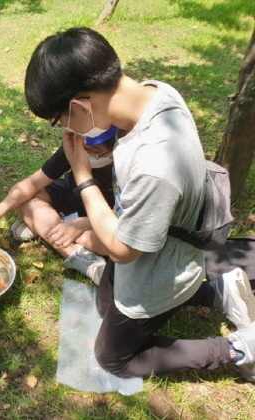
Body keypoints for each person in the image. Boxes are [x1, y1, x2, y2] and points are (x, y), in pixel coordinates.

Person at [24, 27, 255, 381]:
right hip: (161, 242)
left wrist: (83, 176)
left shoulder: (155, 165)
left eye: (61, 120)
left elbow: (122, 250)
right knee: (105, 305)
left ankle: (239, 348)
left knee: (112, 358)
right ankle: (213, 291)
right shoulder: (155, 92)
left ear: (79, 105)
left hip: (157, 271)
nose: (64, 129)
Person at [0, 127, 117, 284]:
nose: (86, 154)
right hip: (70, 194)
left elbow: (123, 217)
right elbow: (31, 184)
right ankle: (74, 254)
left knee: (111, 242)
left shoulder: (128, 163)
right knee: (22, 196)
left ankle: (43, 226)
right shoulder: (75, 148)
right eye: (84, 148)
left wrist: (81, 224)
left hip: (104, 215)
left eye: (95, 151)